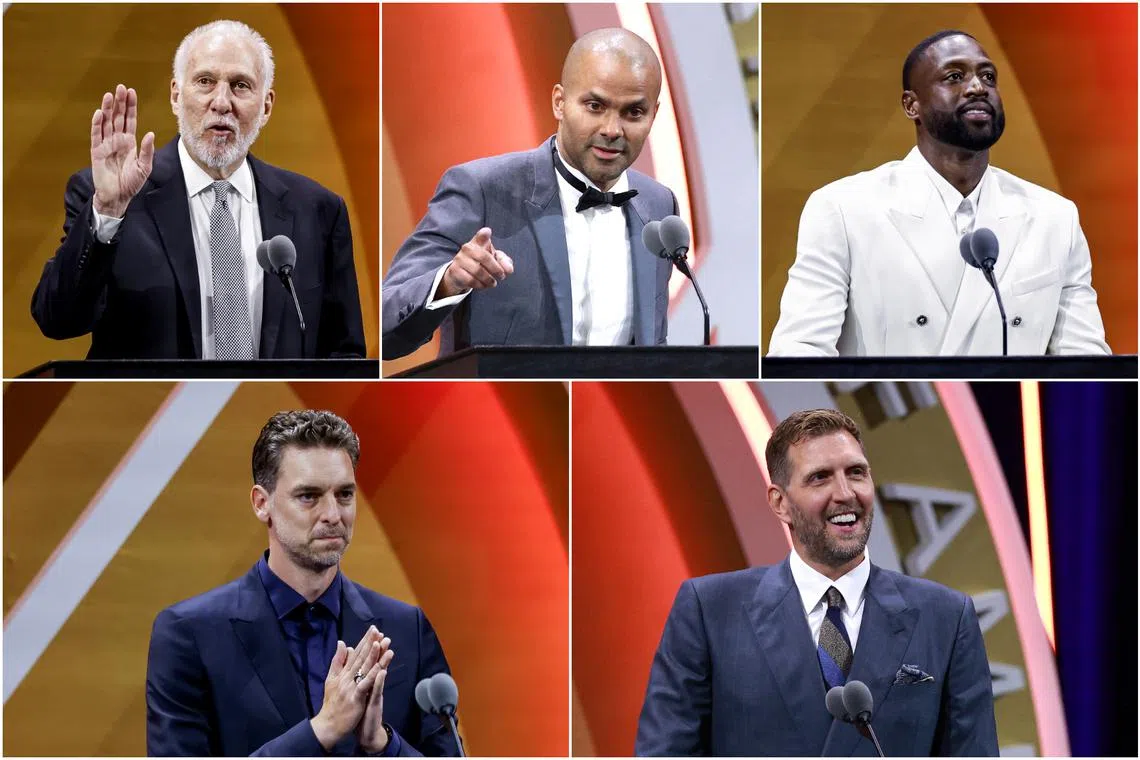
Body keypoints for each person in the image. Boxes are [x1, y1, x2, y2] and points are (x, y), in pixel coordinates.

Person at [636, 409, 999, 756]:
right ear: (780, 503)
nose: (845, 493)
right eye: (820, 477)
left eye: (856, 472)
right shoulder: (709, 611)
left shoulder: (947, 617)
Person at [32, 20, 365, 360]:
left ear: (266, 106)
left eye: (240, 85)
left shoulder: (317, 210)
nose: (221, 103)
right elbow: (58, 320)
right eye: (205, 82)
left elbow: (344, 354)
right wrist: (107, 212)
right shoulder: (109, 197)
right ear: (176, 96)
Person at [768, 30, 1109, 357]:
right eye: (954, 77)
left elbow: (1087, 360)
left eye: (988, 77)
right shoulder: (843, 209)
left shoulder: (1055, 218)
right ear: (911, 105)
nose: (977, 87)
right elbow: (799, 351)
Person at [146, 411, 458, 756]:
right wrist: (321, 730)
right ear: (262, 504)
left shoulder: (406, 629)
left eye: (344, 495)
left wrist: (384, 744)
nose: (333, 515)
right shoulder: (189, 634)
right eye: (309, 496)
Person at [382, 28, 677, 360]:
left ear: (653, 114)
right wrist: (448, 281)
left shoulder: (660, 206)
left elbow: (652, 344)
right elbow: (387, 330)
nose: (612, 129)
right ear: (559, 103)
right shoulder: (480, 188)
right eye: (595, 106)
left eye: (633, 113)